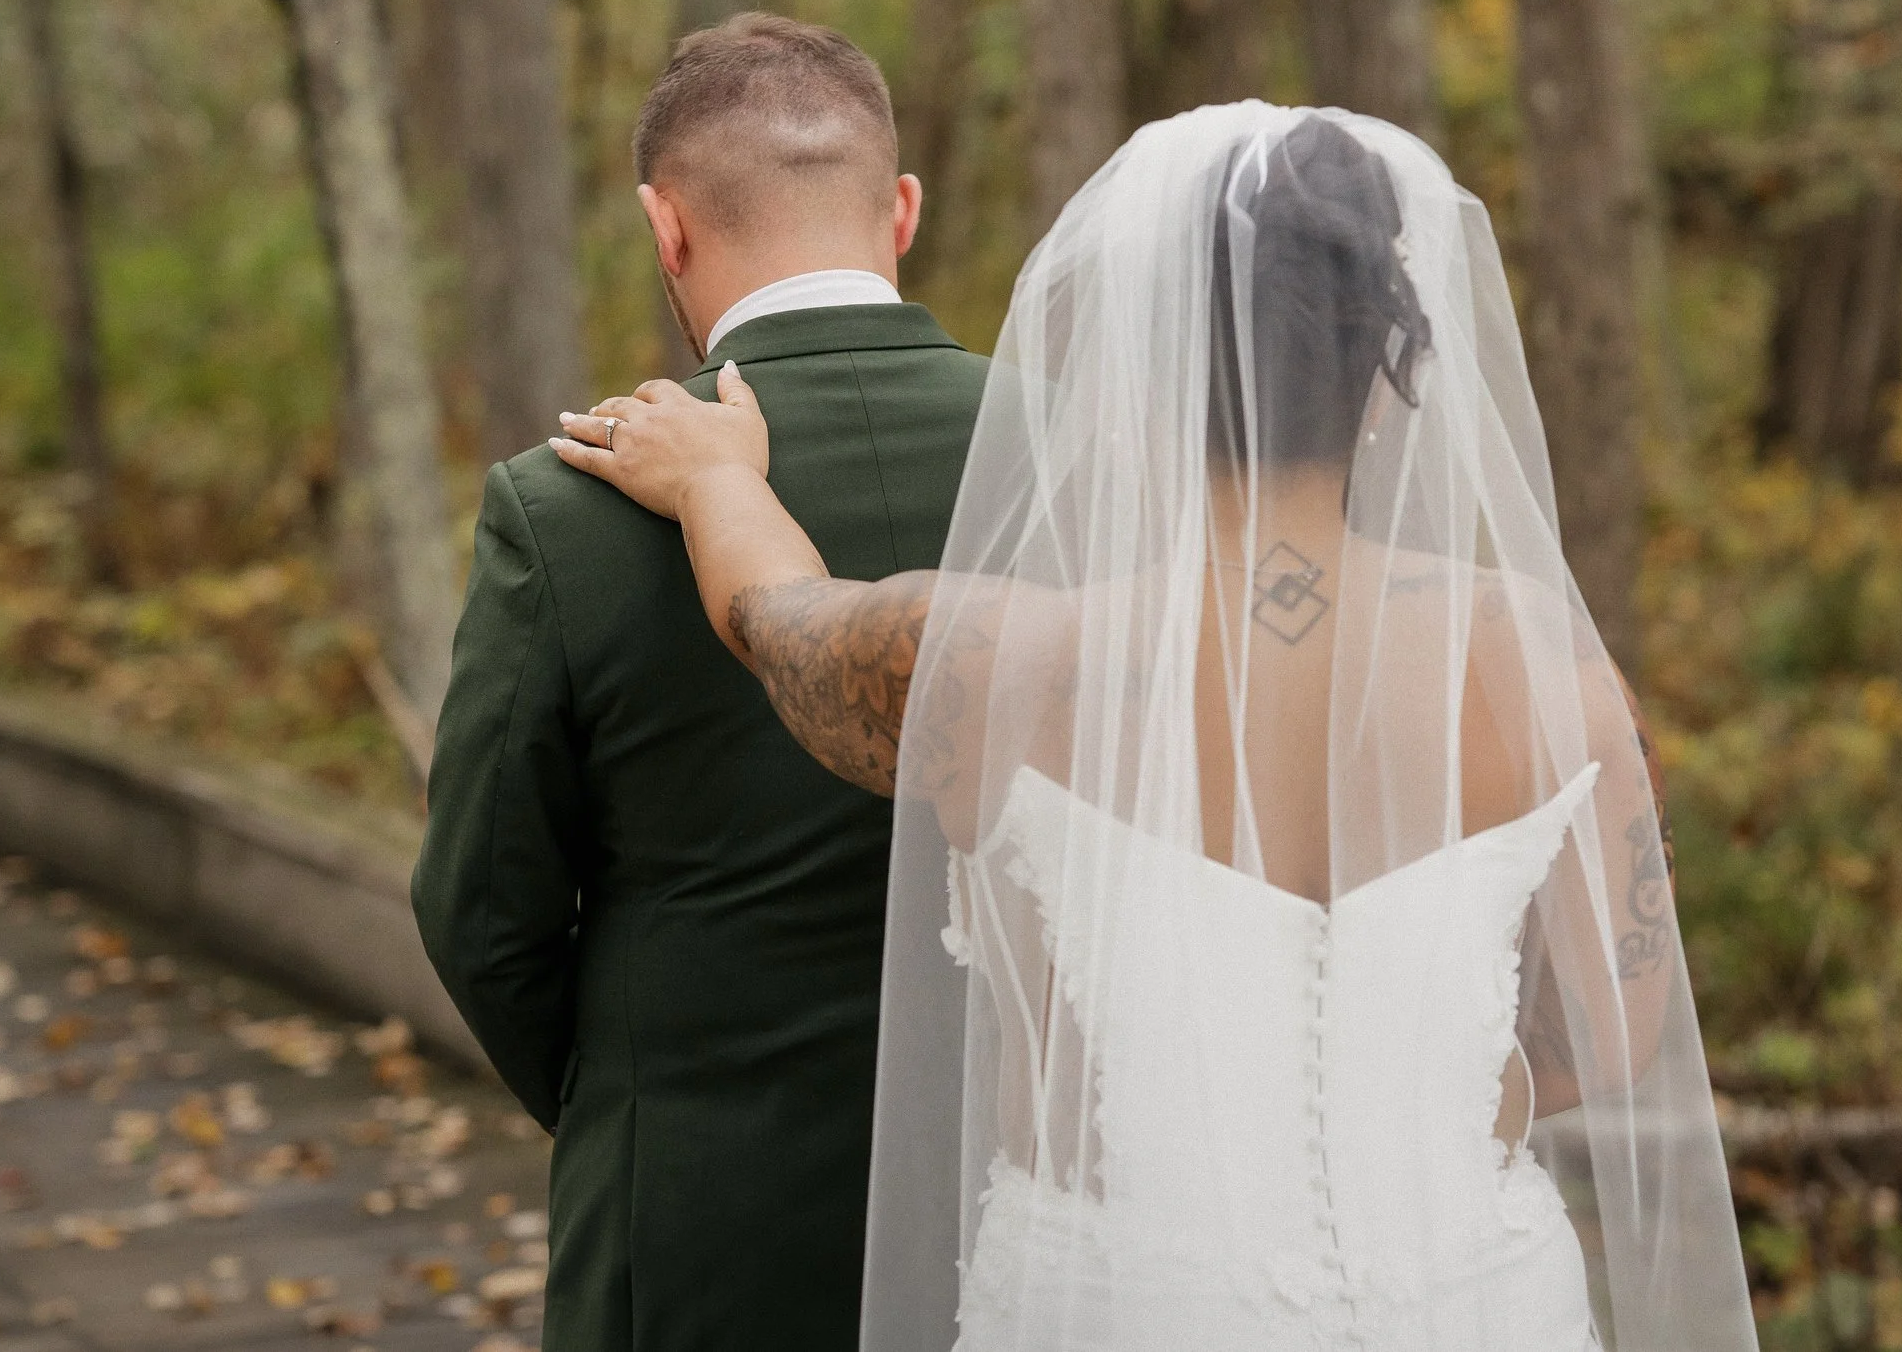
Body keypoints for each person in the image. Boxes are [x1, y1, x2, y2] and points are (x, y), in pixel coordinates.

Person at [553, 104, 1759, 1351]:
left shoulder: (999, 664)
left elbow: (778, 620)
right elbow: (1618, 1023)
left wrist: (713, 480)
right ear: (1394, 386)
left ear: (1133, 379)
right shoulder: (1554, 670)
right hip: (1475, 1298)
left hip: (1120, 1305)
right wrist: (1407, 1122)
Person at [412, 13, 990, 1352]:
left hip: (696, 1209)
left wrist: (633, 1089)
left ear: (665, 227)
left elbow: (479, 904)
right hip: (1025, 1182)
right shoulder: (1083, 452)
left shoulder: (564, 504)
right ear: (899, 206)